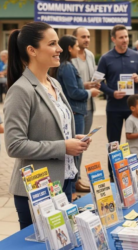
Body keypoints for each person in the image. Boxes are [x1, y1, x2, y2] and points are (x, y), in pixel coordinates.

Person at [4, 22, 91, 229]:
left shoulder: (54, 84)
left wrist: (74, 139)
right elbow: (14, 145)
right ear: (32, 50)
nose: (60, 49)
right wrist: (63, 147)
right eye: (52, 44)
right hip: (37, 191)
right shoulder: (21, 91)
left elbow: (58, 130)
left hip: (64, 183)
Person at [49, 35, 100, 201]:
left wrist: (86, 85)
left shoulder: (64, 66)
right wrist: (89, 93)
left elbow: (70, 87)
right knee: (75, 151)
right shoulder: (67, 66)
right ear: (70, 48)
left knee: (75, 151)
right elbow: (73, 93)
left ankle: (71, 188)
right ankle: (71, 191)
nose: (79, 49)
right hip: (76, 112)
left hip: (75, 111)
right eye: (76, 46)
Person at [97, 24, 138, 180]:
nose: (125, 40)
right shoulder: (106, 58)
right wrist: (112, 92)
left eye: (126, 36)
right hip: (114, 108)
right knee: (114, 144)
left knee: (137, 141)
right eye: (121, 37)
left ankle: (136, 175)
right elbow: (98, 82)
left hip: (134, 109)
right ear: (113, 39)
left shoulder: (137, 56)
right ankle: (114, 177)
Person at [71, 27, 100, 193]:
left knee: (83, 145)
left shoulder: (89, 55)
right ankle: (74, 180)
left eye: (88, 36)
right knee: (76, 145)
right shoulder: (70, 58)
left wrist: (95, 83)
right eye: (83, 37)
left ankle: (77, 178)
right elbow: (71, 86)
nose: (87, 40)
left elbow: (92, 76)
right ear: (75, 39)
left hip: (90, 106)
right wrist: (87, 88)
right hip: (77, 108)